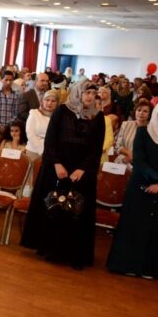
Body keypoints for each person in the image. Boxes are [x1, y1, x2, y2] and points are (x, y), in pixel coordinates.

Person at [20, 80, 105, 269]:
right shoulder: (62, 111)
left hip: (81, 172)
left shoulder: (98, 117)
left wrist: (82, 169)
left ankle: (72, 254)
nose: (90, 97)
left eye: (93, 93)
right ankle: (50, 249)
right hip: (57, 168)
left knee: (76, 210)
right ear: (78, 93)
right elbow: (51, 140)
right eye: (87, 92)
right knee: (54, 207)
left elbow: (96, 148)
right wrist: (57, 163)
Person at [107, 105, 158, 278]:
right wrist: (155, 179)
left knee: (153, 228)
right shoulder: (143, 133)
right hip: (139, 185)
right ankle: (126, 264)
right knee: (134, 224)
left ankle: (148, 268)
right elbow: (139, 160)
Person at [0, 70, 21, 148]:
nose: (8, 82)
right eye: (6, 80)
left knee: (10, 148)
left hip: (10, 129)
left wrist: (7, 126)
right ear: (1, 80)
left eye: (10, 80)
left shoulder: (16, 95)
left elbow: (16, 114)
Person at [25, 90, 60, 161]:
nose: (49, 103)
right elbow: (30, 134)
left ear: (57, 103)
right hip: (34, 151)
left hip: (53, 153)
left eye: (53, 101)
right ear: (42, 101)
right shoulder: (34, 113)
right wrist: (42, 151)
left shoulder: (59, 116)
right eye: (47, 100)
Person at [115, 99, 152, 165]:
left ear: (149, 115)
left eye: (145, 111)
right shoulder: (126, 124)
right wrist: (128, 153)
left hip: (143, 164)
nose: (141, 113)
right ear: (135, 111)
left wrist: (135, 156)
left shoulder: (153, 130)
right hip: (124, 161)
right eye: (139, 110)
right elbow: (118, 145)